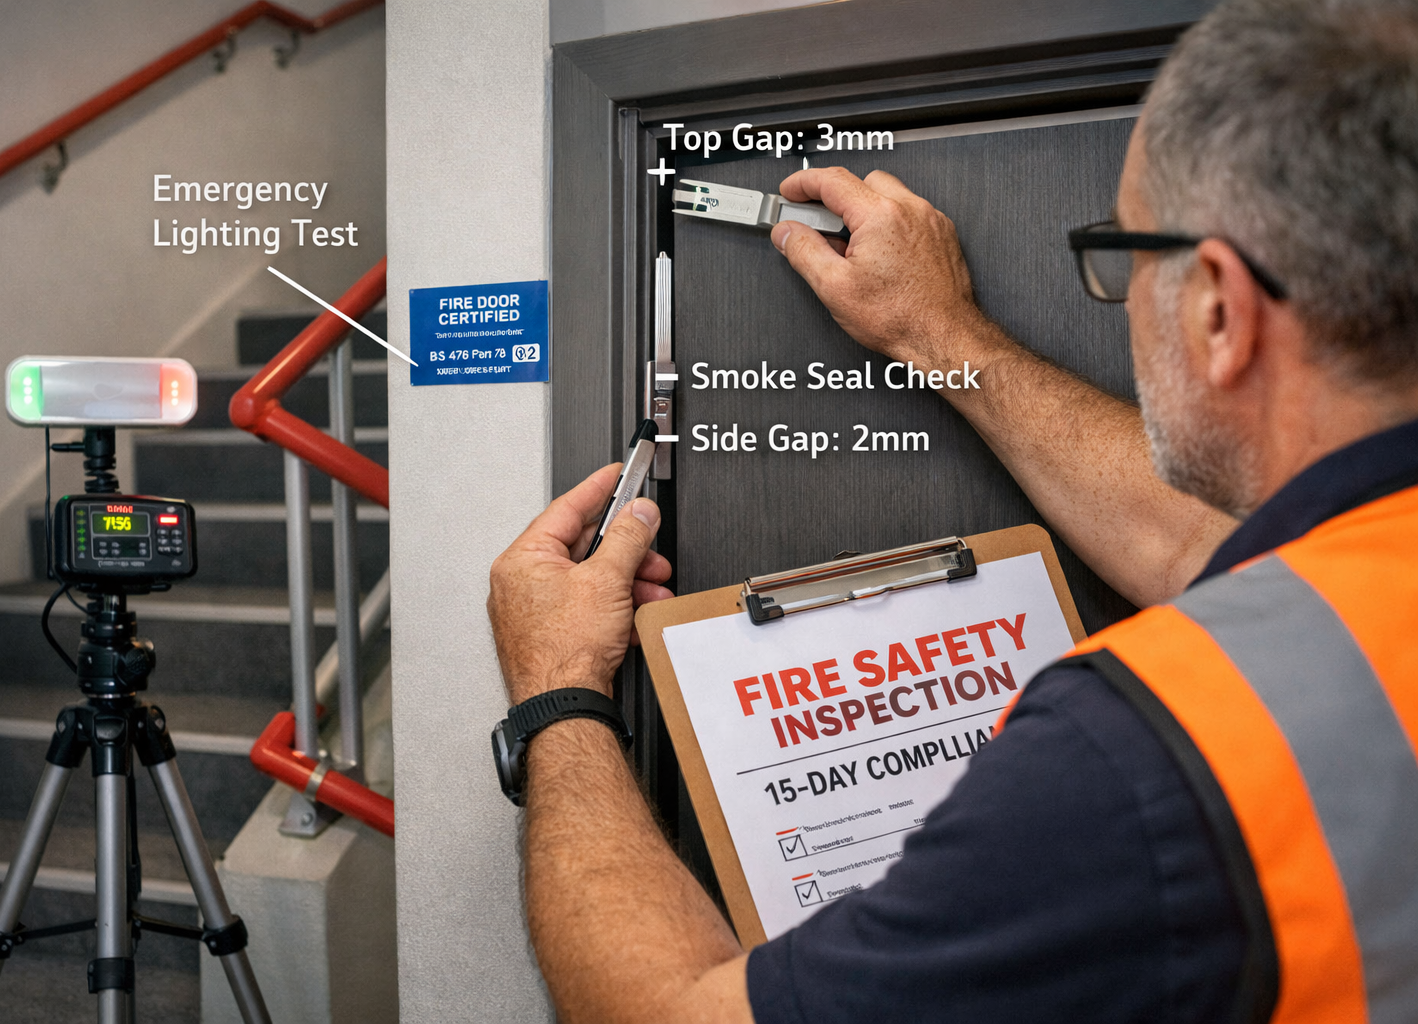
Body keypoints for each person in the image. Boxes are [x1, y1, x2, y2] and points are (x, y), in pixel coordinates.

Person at [486, 0, 1418, 1020]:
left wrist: (559, 688)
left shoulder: (1142, 749)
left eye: (1129, 258)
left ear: (1220, 311)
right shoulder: (1363, 574)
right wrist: (936, 332)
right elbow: (1196, 543)